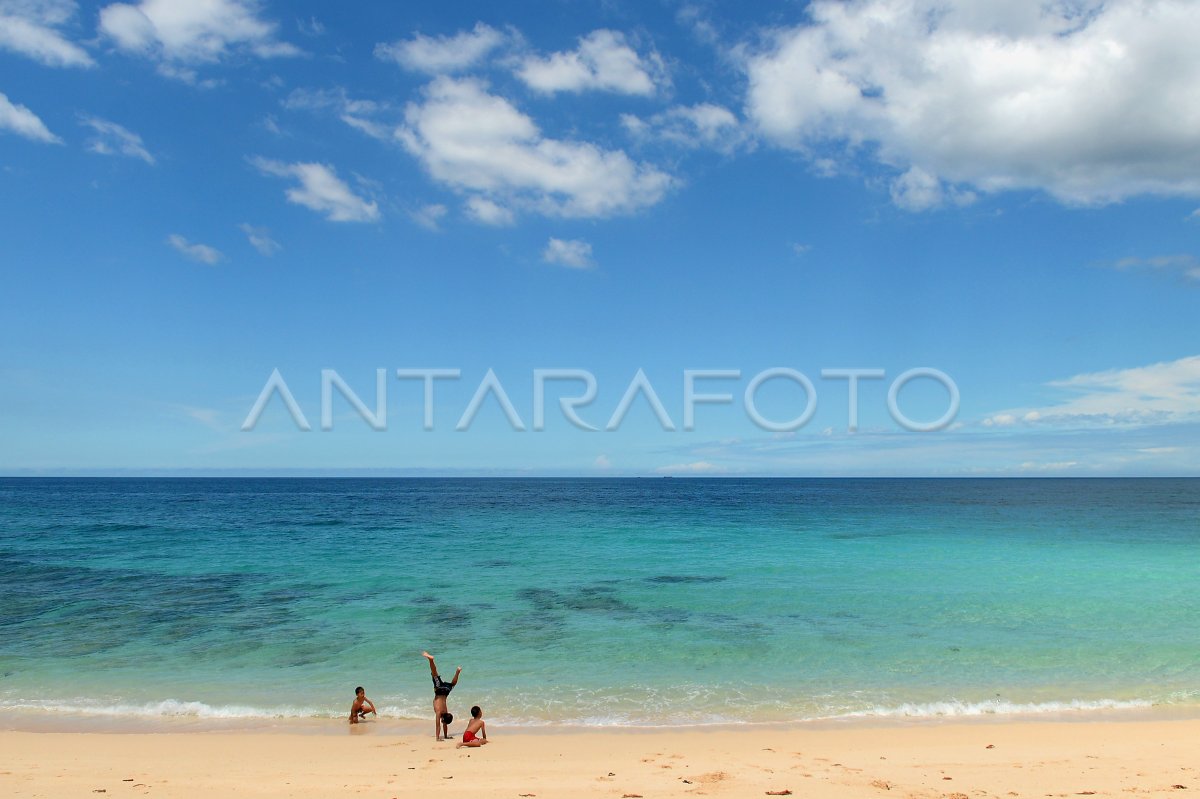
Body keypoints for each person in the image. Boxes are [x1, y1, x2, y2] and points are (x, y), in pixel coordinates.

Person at [422, 651, 461, 740]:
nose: (441, 721)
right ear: (443, 719)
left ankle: (458, 671)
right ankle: (430, 660)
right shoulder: (439, 712)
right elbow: (438, 725)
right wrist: (437, 737)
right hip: (439, 690)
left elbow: (444, 724)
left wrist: (446, 736)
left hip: (446, 691)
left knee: (452, 684)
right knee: (434, 674)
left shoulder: (446, 712)